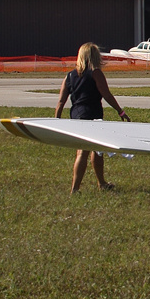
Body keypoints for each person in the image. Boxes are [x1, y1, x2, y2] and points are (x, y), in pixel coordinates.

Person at [54, 42, 131, 193]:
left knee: (97, 150)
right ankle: (75, 189)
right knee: (84, 151)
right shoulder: (96, 73)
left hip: (76, 116)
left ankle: (101, 183)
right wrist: (120, 111)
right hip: (91, 116)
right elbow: (106, 94)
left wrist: (56, 121)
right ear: (94, 56)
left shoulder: (69, 76)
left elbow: (61, 101)